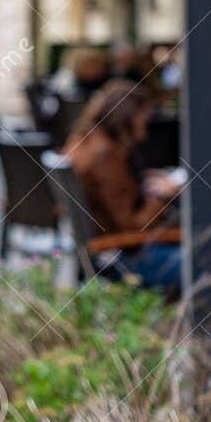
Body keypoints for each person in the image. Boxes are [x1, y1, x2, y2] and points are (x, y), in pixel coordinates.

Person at [62, 80, 184, 295]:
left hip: (104, 252)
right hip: (119, 259)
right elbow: (132, 229)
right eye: (142, 122)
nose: (144, 132)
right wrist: (161, 194)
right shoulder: (105, 156)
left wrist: (145, 180)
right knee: (200, 261)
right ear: (126, 119)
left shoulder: (85, 140)